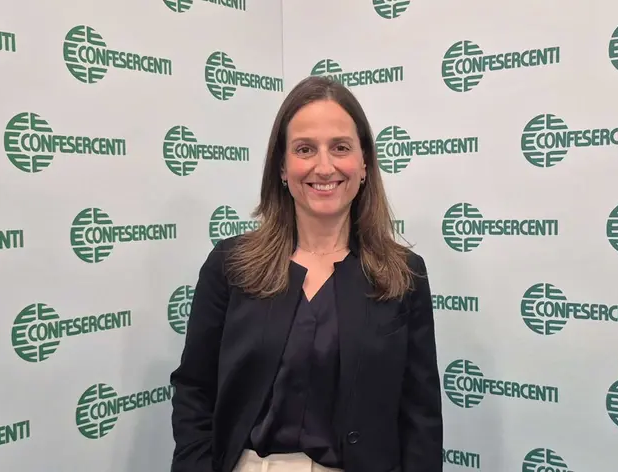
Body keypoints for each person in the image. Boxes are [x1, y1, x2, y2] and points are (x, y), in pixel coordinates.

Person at [169, 75, 443, 472]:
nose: (324, 166)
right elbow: (195, 389)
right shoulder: (230, 265)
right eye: (305, 149)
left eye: (340, 147)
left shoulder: (403, 275)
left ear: (364, 163)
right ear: (282, 167)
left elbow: (420, 416)